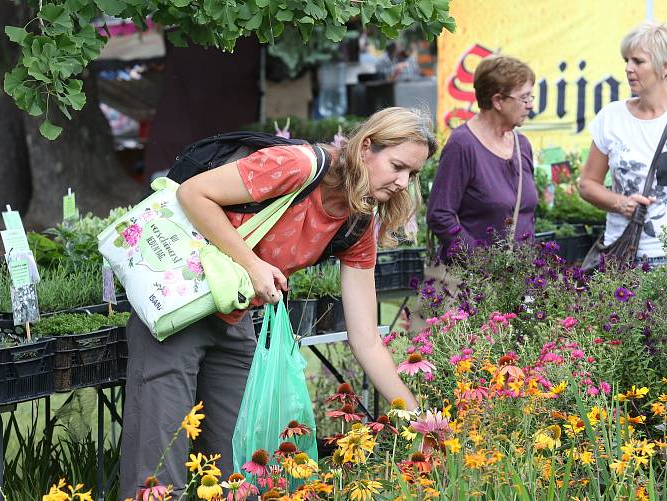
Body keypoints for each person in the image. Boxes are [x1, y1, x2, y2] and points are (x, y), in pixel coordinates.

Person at [119, 107, 436, 498]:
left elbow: (366, 338)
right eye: (397, 166)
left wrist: (417, 417)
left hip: (235, 323)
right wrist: (252, 264)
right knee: (157, 470)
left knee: (242, 472)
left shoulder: (356, 225)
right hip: (178, 310)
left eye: (413, 174)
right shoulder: (298, 166)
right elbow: (193, 193)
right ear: (366, 147)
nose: (403, 182)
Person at [578, 21, 667, 266]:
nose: (629, 69)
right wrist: (620, 203)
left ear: (665, 67)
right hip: (619, 255)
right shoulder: (610, 117)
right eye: (626, 61)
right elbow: (588, 184)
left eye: (638, 61)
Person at [427, 54, 538, 263]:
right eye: (524, 98)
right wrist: (482, 261)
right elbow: (440, 215)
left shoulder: (522, 145)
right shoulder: (462, 145)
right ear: (497, 101)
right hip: (475, 285)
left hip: (521, 281)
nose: (530, 105)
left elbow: (526, 216)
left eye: (531, 97)